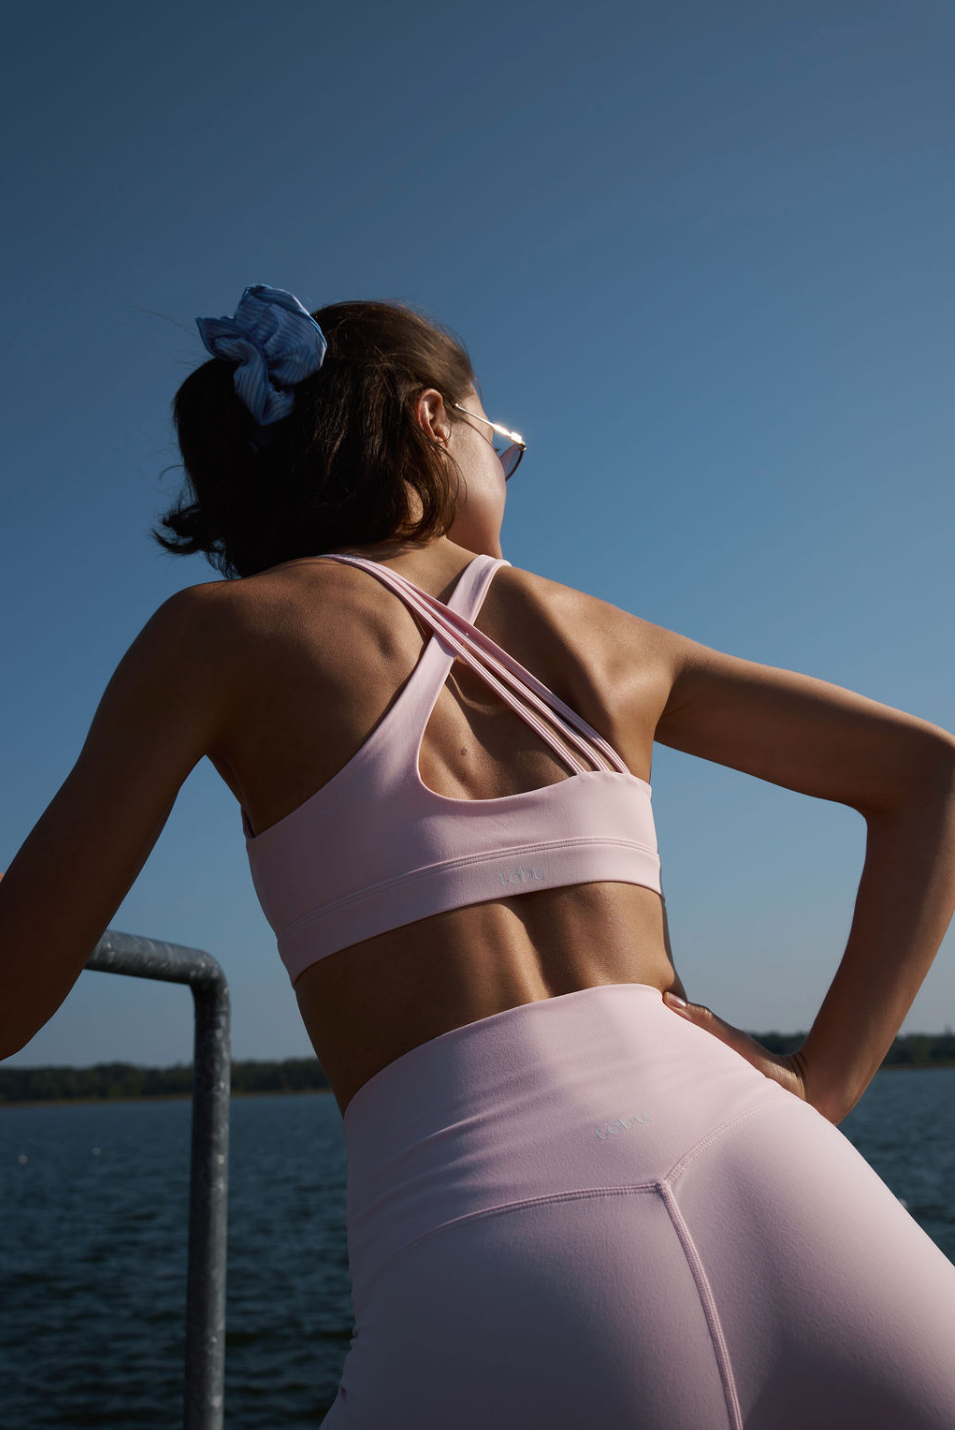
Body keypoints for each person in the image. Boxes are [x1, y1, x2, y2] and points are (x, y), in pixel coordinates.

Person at [1, 284, 954, 1429]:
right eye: (500, 439)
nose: (507, 464)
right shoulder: (604, 630)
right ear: (427, 422)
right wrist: (822, 1087)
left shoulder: (223, 632)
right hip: (796, 1193)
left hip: (492, 1249)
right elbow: (931, 776)